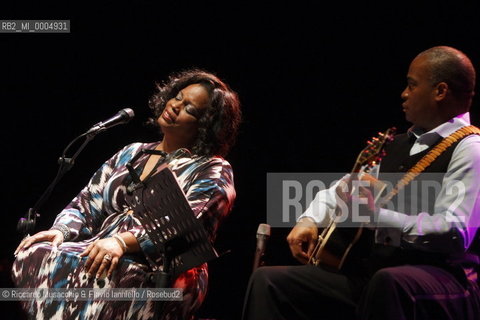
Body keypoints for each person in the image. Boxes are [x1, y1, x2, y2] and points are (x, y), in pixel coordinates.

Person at [242, 46, 480, 319]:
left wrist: (376, 217)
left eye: (412, 85)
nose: (404, 93)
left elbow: (456, 231)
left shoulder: (470, 148)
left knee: (388, 282)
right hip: (379, 275)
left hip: (446, 280)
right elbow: (345, 188)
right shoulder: (396, 145)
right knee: (269, 281)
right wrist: (309, 219)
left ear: (440, 91)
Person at [12, 69, 242, 320]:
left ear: (206, 127)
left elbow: (185, 225)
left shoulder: (212, 168)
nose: (175, 106)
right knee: (34, 253)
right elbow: (87, 202)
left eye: (190, 109)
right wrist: (62, 231)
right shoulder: (131, 152)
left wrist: (122, 242)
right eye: (178, 96)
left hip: (158, 268)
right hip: (99, 249)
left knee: (115, 274)